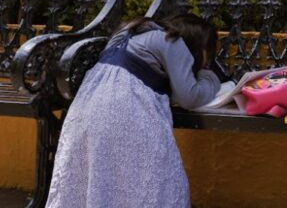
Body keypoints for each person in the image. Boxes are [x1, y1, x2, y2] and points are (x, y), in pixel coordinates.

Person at [45, 14, 220, 208]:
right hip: (126, 112)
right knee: (158, 181)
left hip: (85, 112)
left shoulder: (130, 31)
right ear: (197, 45)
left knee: (102, 184)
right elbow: (190, 97)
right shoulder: (173, 39)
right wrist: (209, 77)